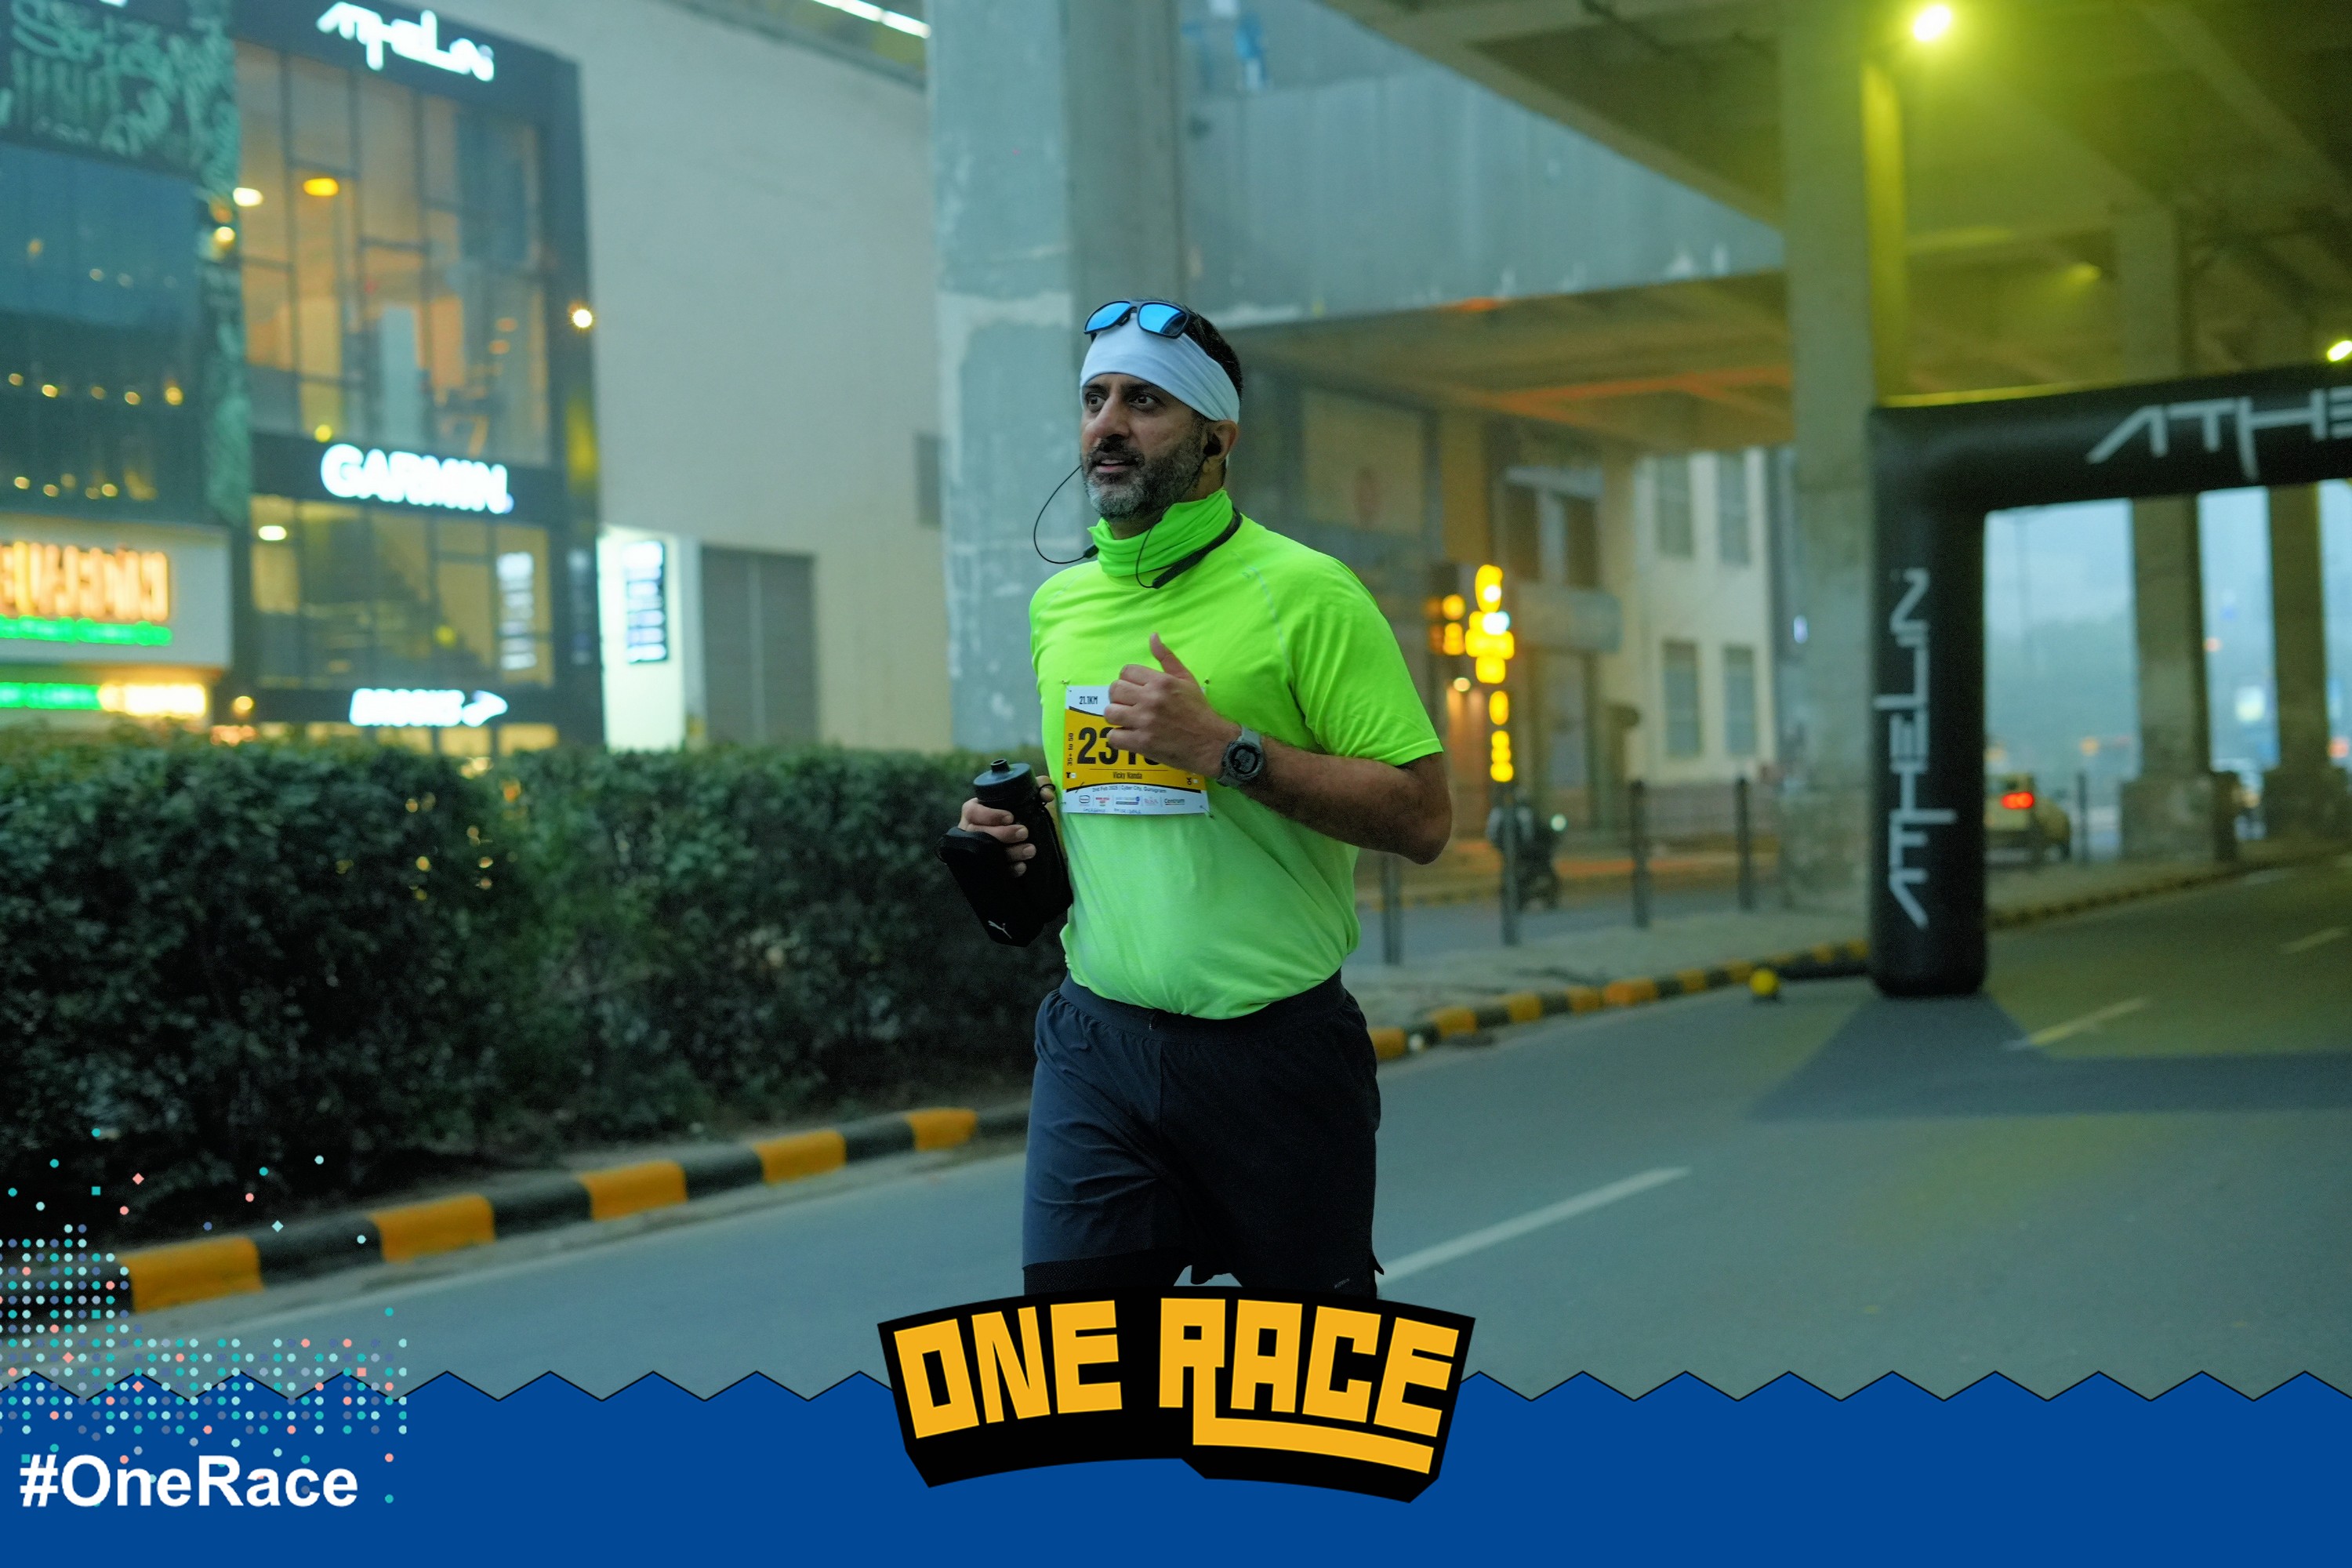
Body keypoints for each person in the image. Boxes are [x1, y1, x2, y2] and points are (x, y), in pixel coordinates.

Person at [954, 298, 1452, 1298]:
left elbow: (1422, 816)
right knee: (1075, 1359)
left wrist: (1227, 749)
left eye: (1146, 402)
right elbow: (1106, 798)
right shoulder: (1060, 606)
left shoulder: (1308, 591)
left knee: (1300, 1381)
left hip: (1276, 1056)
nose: (1108, 424)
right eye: (1095, 399)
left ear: (1217, 437)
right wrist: (1019, 834)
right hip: (1098, 1044)